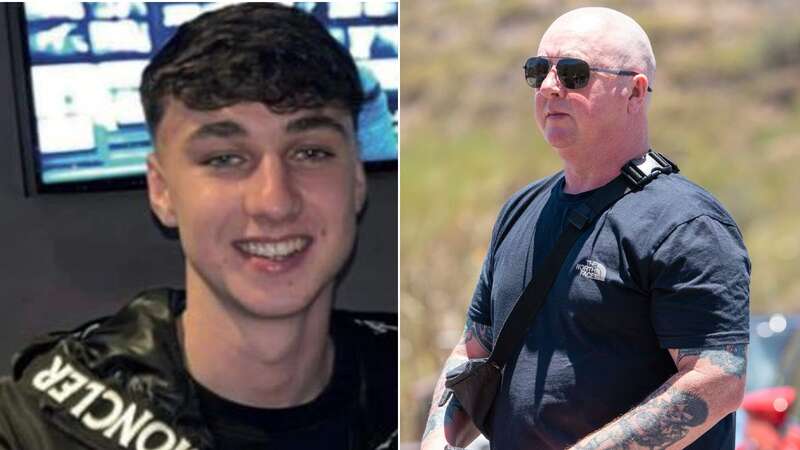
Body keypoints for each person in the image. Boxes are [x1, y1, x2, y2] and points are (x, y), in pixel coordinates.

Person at [0, 4, 397, 450]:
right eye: (224, 159)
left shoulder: (436, 393)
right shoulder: (39, 425)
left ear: (357, 180)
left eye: (310, 152)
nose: (274, 201)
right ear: (162, 191)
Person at [422, 7, 749, 450]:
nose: (551, 87)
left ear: (634, 91)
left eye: (574, 74)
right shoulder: (521, 209)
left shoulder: (687, 224)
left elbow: (717, 380)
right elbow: (474, 350)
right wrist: (437, 441)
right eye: (538, 71)